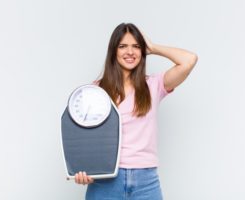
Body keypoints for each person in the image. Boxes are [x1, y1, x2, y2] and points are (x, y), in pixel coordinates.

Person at [74, 23, 198, 200]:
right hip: (106, 180)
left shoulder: (154, 85)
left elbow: (189, 60)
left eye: (136, 46)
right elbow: (86, 134)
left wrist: (154, 48)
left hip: (146, 181)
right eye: (123, 46)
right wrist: (84, 168)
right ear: (114, 51)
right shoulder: (97, 90)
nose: (130, 52)